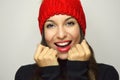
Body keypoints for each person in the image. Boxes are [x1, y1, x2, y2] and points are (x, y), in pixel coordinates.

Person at [15, 0, 119, 80]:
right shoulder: (24, 75)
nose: (61, 35)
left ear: (81, 29)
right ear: (43, 33)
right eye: (51, 25)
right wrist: (50, 74)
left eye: (69, 23)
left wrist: (77, 73)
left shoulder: (107, 74)